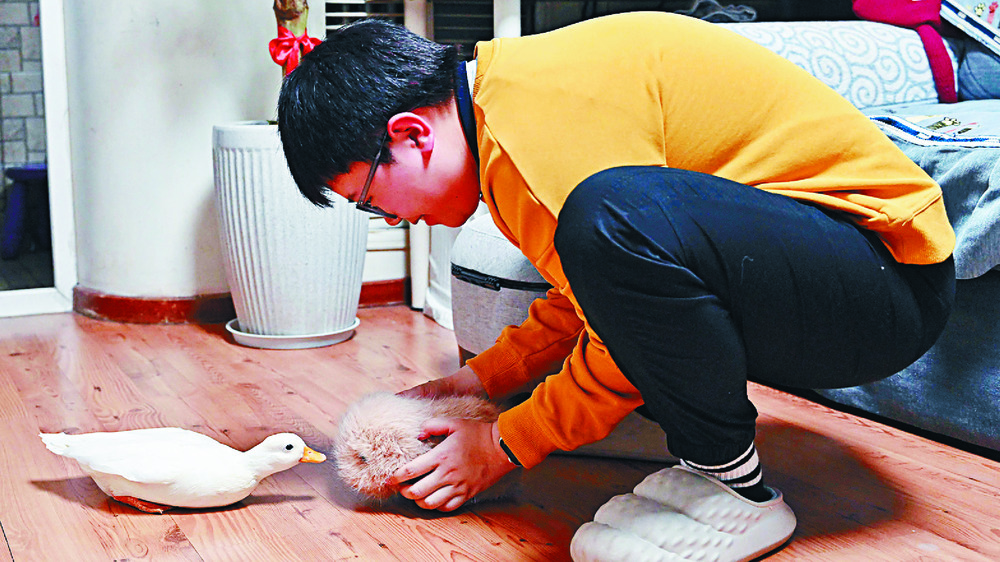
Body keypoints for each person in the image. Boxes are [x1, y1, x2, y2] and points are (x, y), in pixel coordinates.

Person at [276, 11, 955, 553]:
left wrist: (502, 446)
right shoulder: (505, 117)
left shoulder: (532, 127)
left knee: (609, 217)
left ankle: (739, 489)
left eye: (369, 198)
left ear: (411, 134)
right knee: (608, 230)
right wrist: (482, 380)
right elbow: (592, 295)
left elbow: (615, 294)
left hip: (885, 286)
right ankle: (706, 467)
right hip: (834, 276)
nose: (390, 217)